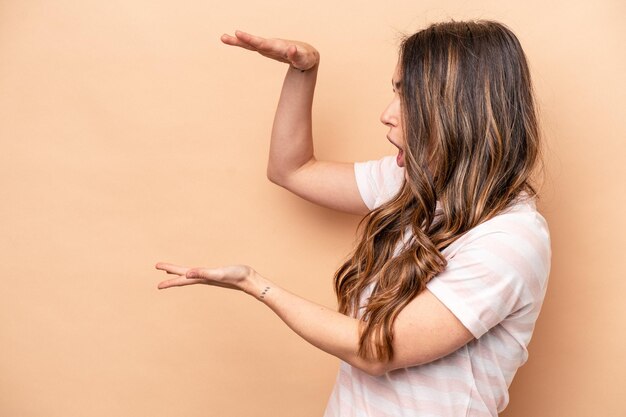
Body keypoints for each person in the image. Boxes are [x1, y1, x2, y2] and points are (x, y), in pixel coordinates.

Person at [156, 20, 551, 417]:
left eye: (407, 96)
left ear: (458, 111)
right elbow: (290, 169)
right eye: (394, 92)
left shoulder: (510, 238)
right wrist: (302, 71)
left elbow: (378, 351)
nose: (386, 114)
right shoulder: (413, 184)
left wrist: (254, 284)